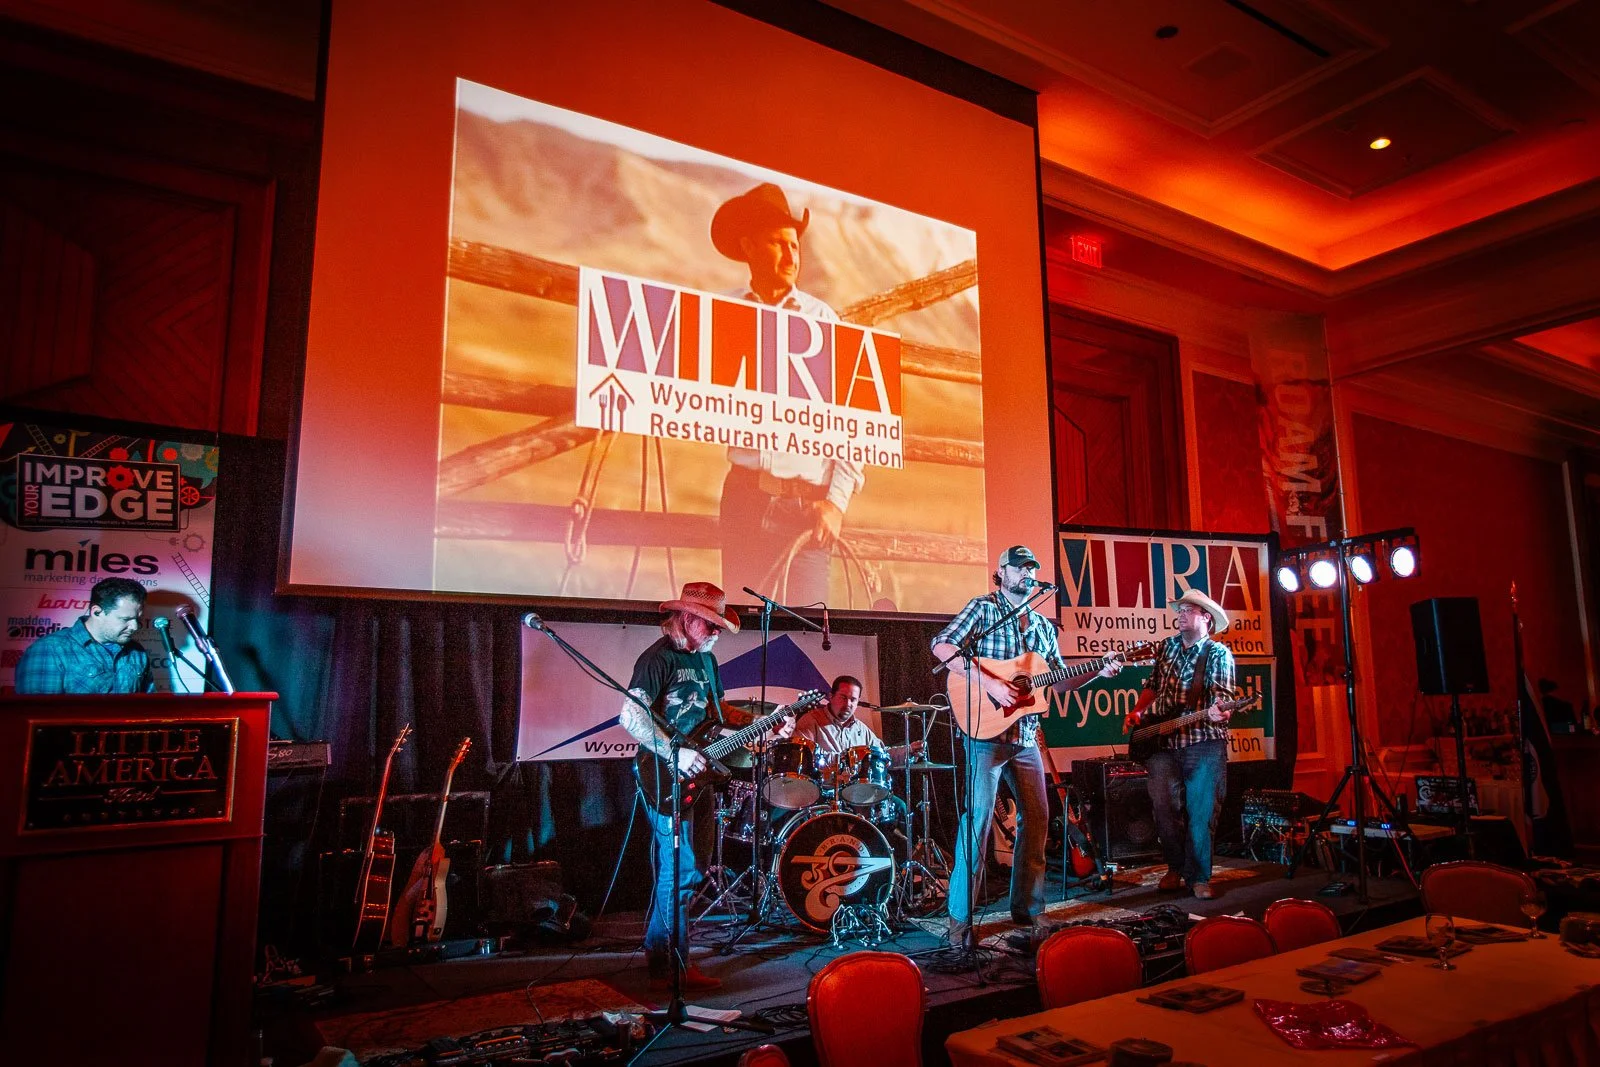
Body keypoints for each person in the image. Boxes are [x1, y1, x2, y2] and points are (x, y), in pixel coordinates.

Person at [931, 545, 1119, 947]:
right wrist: (993, 683)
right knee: (979, 822)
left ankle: (1029, 910)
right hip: (984, 734)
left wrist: (1097, 671)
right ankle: (960, 920)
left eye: (1031, 567)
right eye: (1019, 568)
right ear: (1001, 573)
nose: (1027, 573)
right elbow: (943, 647)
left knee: (1037, 818)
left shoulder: (1043, 627)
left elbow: (1059, 681)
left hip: (1026, 735)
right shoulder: (982, 609)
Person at [618, 581, 791, 991]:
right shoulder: (657, 659)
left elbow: (718, 711)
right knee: (681, 870)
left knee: (688, 868)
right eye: (711, 625)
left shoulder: (706, 661)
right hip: (665, 775)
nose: (717, 633)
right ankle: (673, 967)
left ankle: (659, 954)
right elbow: (630, 716)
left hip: (702, 774)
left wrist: (763, 722)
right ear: (688, 618)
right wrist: (674, 753)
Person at [711, 182, 863, 605]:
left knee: (810, 631)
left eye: (795, 245)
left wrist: (835, 503)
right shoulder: (723, 316)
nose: (791, 256)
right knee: (743, 627)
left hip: (808, 509)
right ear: (749, 246)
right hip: (746, 499)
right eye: (778, 244)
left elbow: (855, 424)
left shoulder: (823, 321)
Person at [1122, 588, 1237, 900]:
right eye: (1180, 609)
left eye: (1189, 610)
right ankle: (1175, 868)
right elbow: (1153, 685)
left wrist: (1218, 713)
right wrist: (1137, 711)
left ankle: (1199, 877)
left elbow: (1222, 698)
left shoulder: (1217, 654)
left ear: (1206, 619)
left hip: (1204, 742)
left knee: (1201, 813)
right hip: (1164, 742)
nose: (1180, 615)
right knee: (1164, 807)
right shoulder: (1167, 647)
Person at [14, 577, 154, 694]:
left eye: (138, 619)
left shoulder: (137, 652)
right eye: (125, 619)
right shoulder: (50, 649)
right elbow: (37, 717)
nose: (135, 627)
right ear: (97, 612)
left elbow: (145, 707)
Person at [793, 674, 924, 767]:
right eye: (843, 697)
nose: (848, 703)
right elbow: (803, 757)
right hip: (824, 791)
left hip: (856, 791)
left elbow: (882, 754)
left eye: (853, 699)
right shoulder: (811, 720)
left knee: (899, 806)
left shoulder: (861, 729)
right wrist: (847, 759)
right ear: (831, 696)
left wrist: (909, 750)